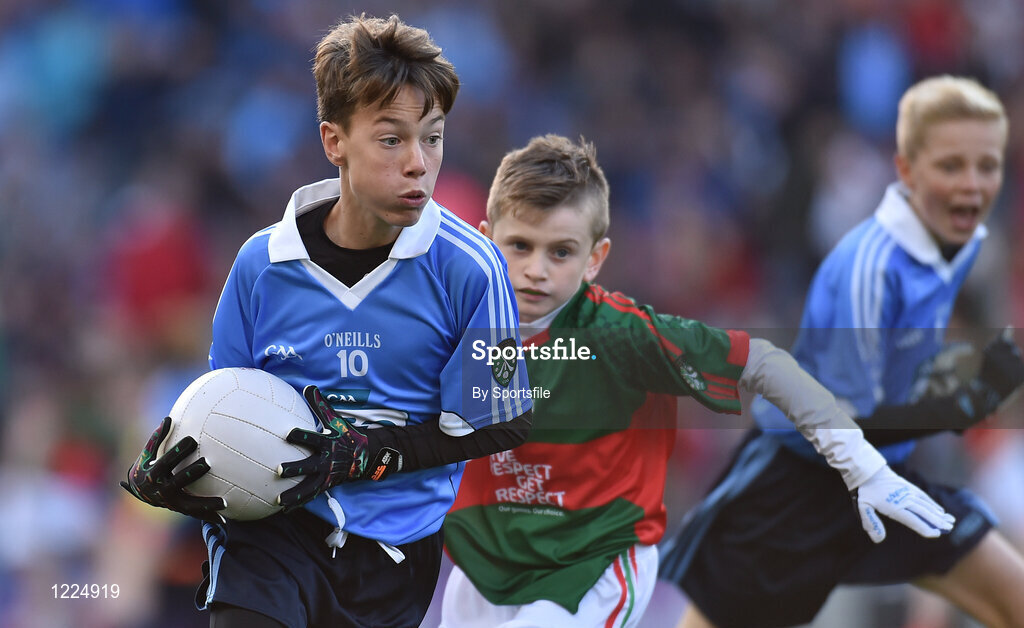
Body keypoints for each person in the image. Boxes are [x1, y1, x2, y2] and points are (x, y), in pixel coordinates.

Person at [119, 14, 535, 628]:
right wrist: (166, 479)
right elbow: (222, 415)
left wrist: (361, 455)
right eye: (391, 139)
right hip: (269, 533)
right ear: (334, 140)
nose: (418, 163)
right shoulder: (261, 266)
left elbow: (501, 423)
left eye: (434, 137)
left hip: (392, 557)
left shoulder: (472, 269)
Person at [439, 134, 956, 628]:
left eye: (560, 252)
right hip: (484, 576)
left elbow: (765, 364)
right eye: (520, 246)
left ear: (595, 259)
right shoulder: (445, 329)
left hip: (588, 570)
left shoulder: (621, 337)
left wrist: (862, 464)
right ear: (485, 241)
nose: (536, 271)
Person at [659, 75, 1024, 628]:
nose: (971, 185)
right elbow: (843, 428)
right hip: (793, 495)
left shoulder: (959, 253)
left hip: (883, 486)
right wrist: (958, 407)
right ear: (909, 171)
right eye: (952, 167)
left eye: (985, 166)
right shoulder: (868, 269)